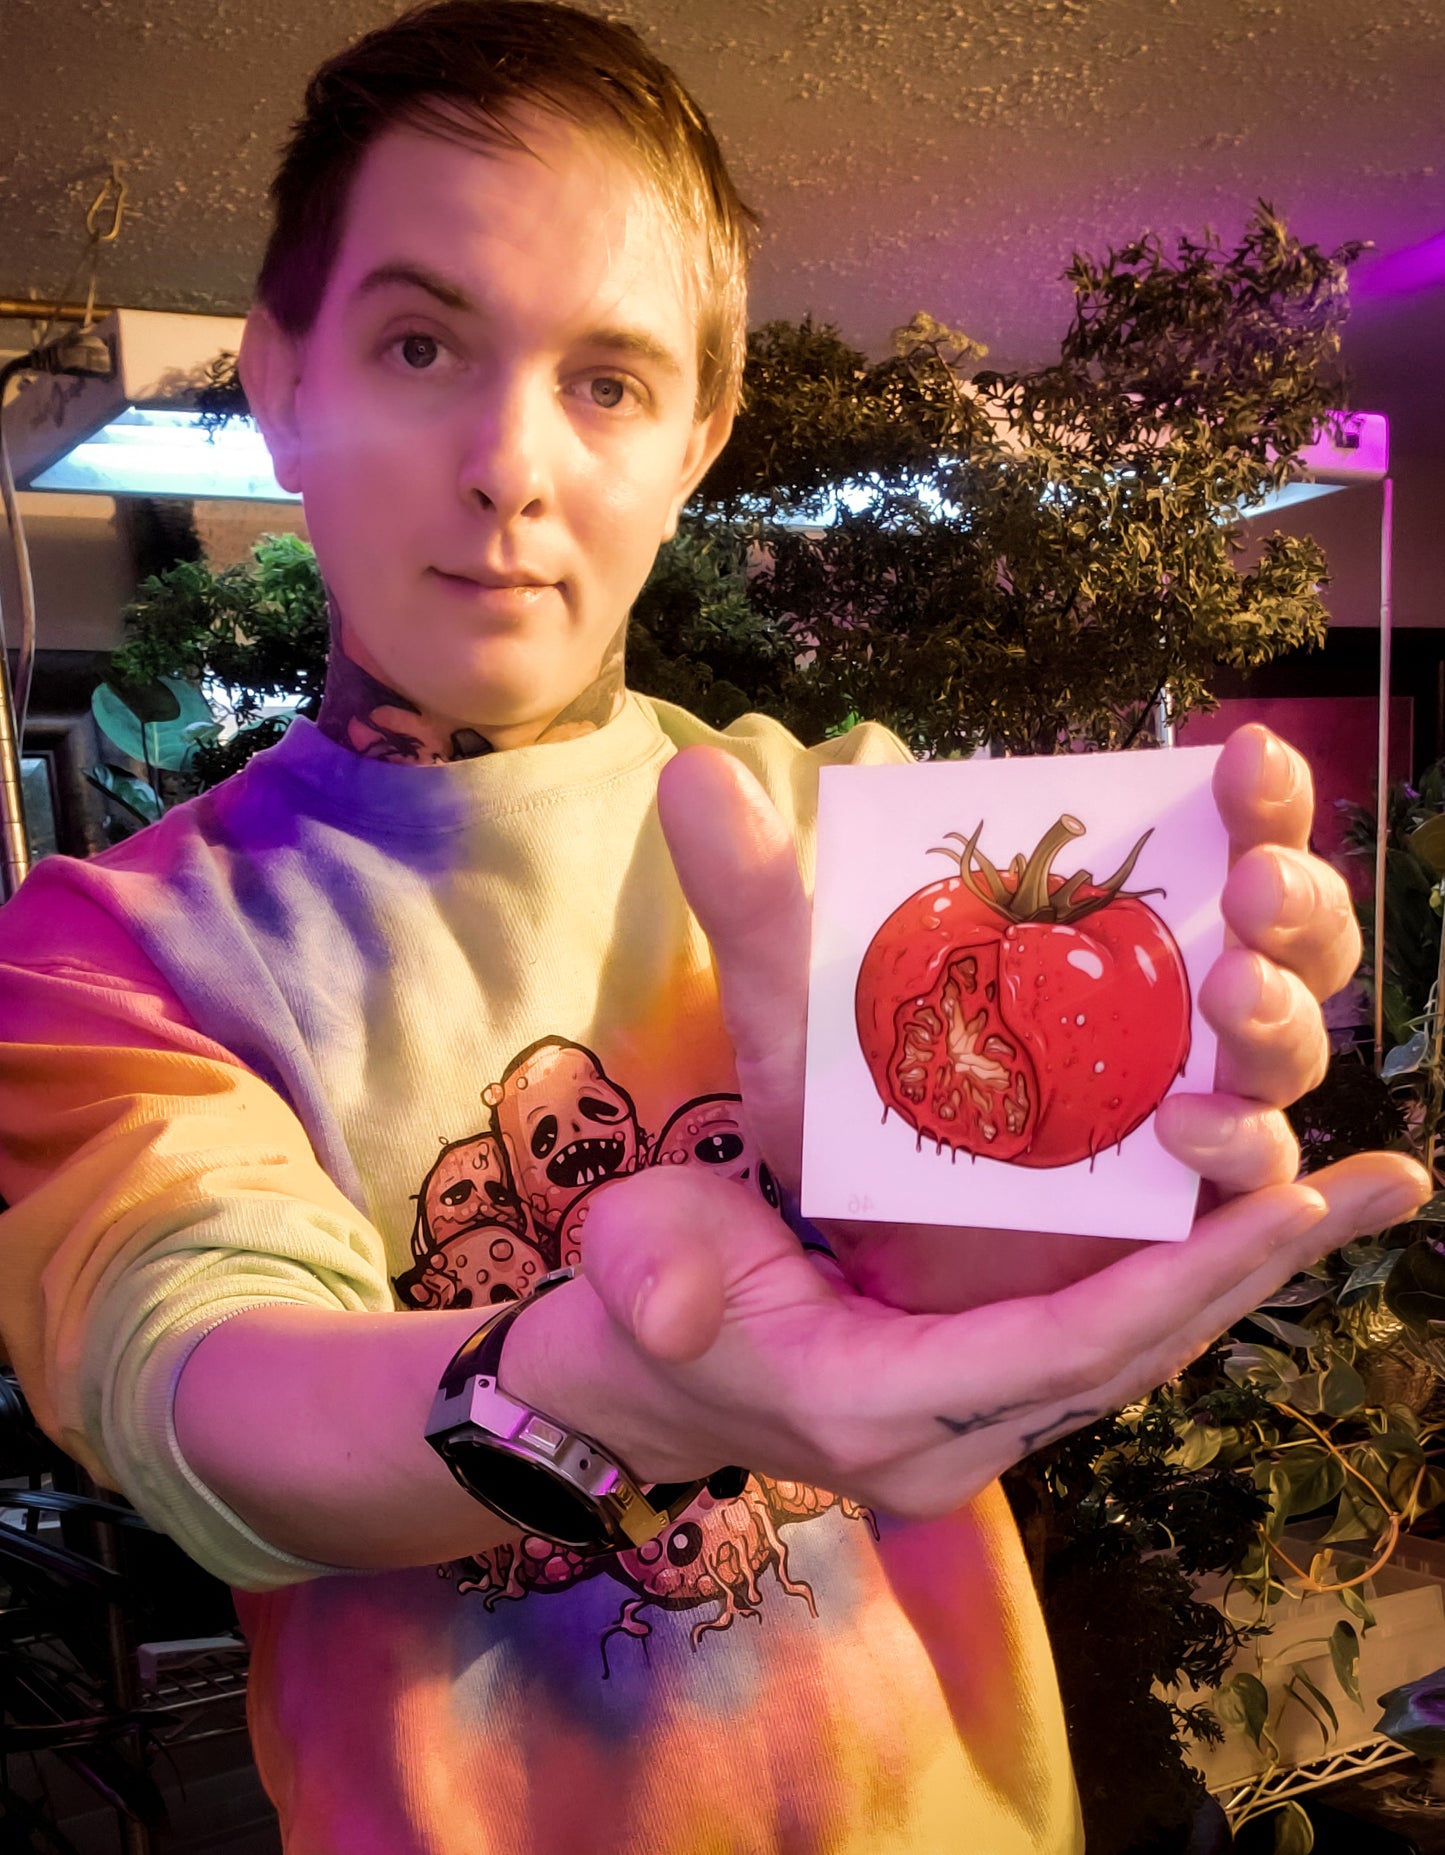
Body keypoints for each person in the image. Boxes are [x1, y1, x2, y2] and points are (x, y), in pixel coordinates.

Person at [0, 4, 1425, 1851]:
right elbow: (190, 1385)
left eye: (606, 379)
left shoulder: (865, 839)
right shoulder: (113, 949)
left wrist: (1110, 1155)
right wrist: (594, 1389)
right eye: (422, 341)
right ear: (280, 378)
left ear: (700, 435)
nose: (511, 463)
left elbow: (950, 1305)